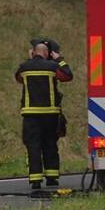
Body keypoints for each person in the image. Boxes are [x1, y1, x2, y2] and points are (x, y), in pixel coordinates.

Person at [15, 38, 73, 189]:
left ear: (33, 52)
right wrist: (59, 59)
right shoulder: (52, 67)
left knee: (33, 146)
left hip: (30, 115)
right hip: (50, 114)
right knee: (50, 145)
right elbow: (67, 76)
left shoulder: (24, 67)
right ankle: (52, 178)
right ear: (47, 53)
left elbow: (19, 79)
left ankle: (35, 180)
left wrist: (30, 60)